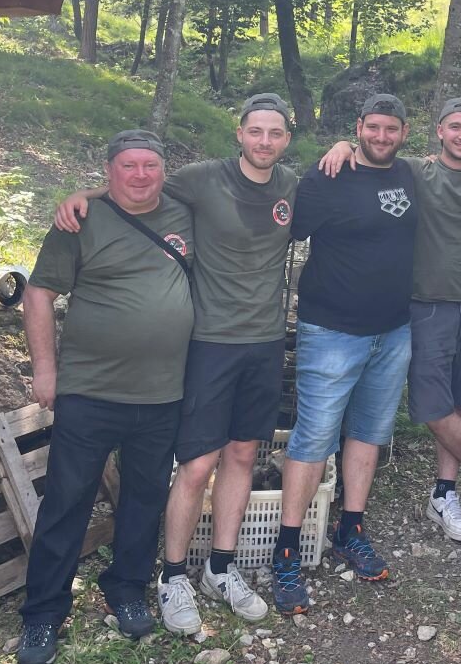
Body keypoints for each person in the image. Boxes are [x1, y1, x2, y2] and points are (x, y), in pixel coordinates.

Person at [53, 93, 298, 633]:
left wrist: (347, 146)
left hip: (264, 342)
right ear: (239, 133)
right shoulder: (203, 178)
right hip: (210, 340)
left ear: (286, 138)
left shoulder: (290, 185)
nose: (264, 141)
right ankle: (172, 575)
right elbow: (137, 183)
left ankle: (221, 568)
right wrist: (83, 194)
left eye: (275, 133)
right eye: (255, 131)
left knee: (243, 453)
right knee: (198, 462)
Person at [17, 130, 195, 664]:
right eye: (127, 166)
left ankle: (126, 589)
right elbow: (38, 293)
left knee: (144, 498)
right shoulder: (79, 221)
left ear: (164, 170)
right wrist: (45, 369)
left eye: (150, 165)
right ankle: (43, 612)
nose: (140, 175)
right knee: (66, 500)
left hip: (163, 392)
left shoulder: (186, 212)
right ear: (109, 170)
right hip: (90, 391)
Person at [322, 97, 461, 541]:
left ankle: (444, 492)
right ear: (439, 130)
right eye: (455, 127)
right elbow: (372, 153)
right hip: (426, 304)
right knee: (431, 406)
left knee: (460, 401)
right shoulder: (414, 171)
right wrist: (343, 144)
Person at [271, 93, 418, 615]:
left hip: (394, 330)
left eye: (391, 128)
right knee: (314, 437)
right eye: (373, 127)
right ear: (358, 127)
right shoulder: (328, 176)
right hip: (331, 330)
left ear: (404, 132)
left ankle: (350, 529)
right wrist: (331, 152)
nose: (382, 136)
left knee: (370, 433)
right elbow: (289, 230)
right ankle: (286, 548)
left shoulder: (411, 175)